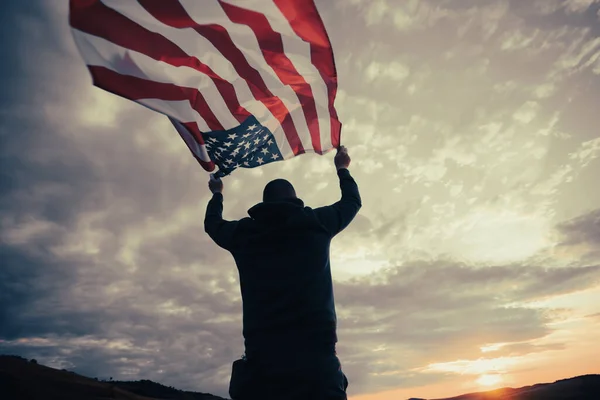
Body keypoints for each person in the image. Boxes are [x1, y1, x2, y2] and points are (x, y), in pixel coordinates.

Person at [204, 146, 361, 400]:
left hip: (263, 365)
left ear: (264, 204)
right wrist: (342, 168)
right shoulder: (316, 223)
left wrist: (217, 195)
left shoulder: (245, 235)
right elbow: (352, 202)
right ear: (294, 200)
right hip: (317, 364)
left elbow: (212, 224)